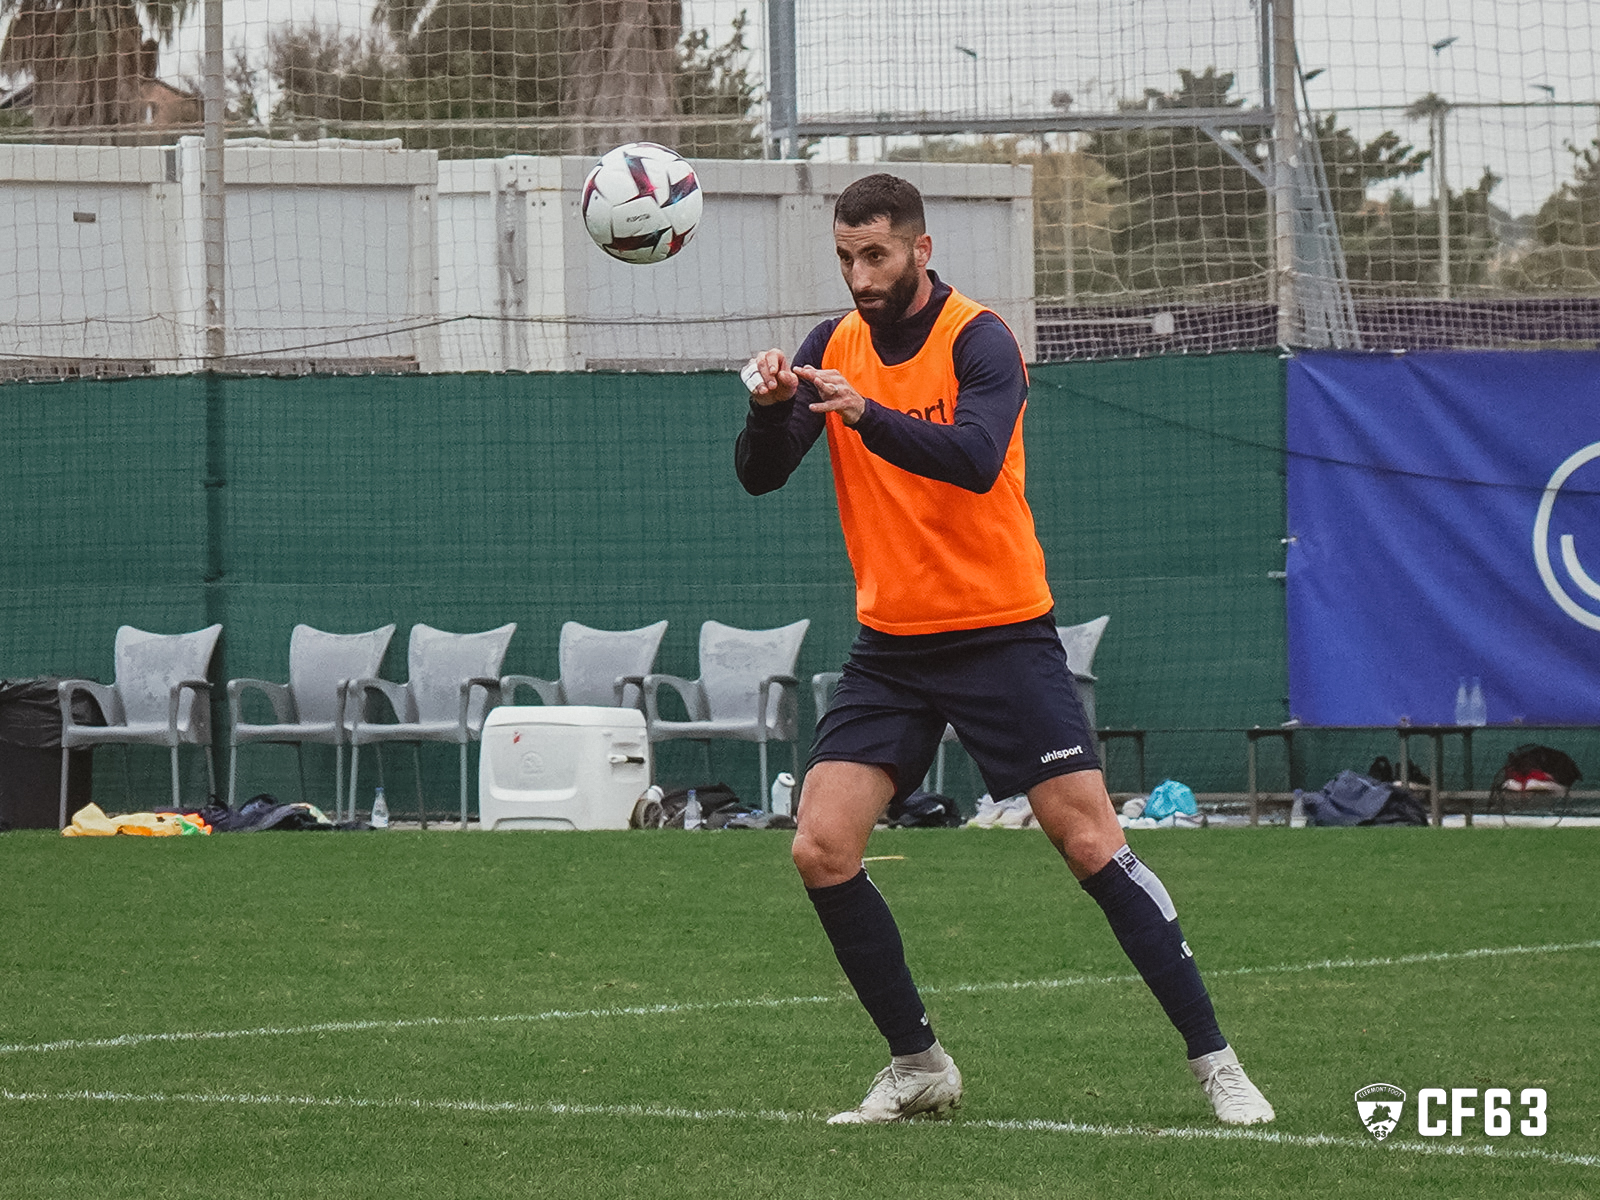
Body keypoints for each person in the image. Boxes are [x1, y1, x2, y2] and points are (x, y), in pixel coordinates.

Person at [734, 173, 1273, 1127]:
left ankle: (1217, 1063)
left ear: (921, 249)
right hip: (892, 647)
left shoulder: (980, 338)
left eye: (876, 255)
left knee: (1090, 842)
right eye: (846, 258)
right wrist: (772, 408)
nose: (860, 276)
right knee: (820, 847)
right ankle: (918, 1065)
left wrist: (864, 413)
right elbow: (760, 477)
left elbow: (976, 460)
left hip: (1000, 632)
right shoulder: (831, 347)